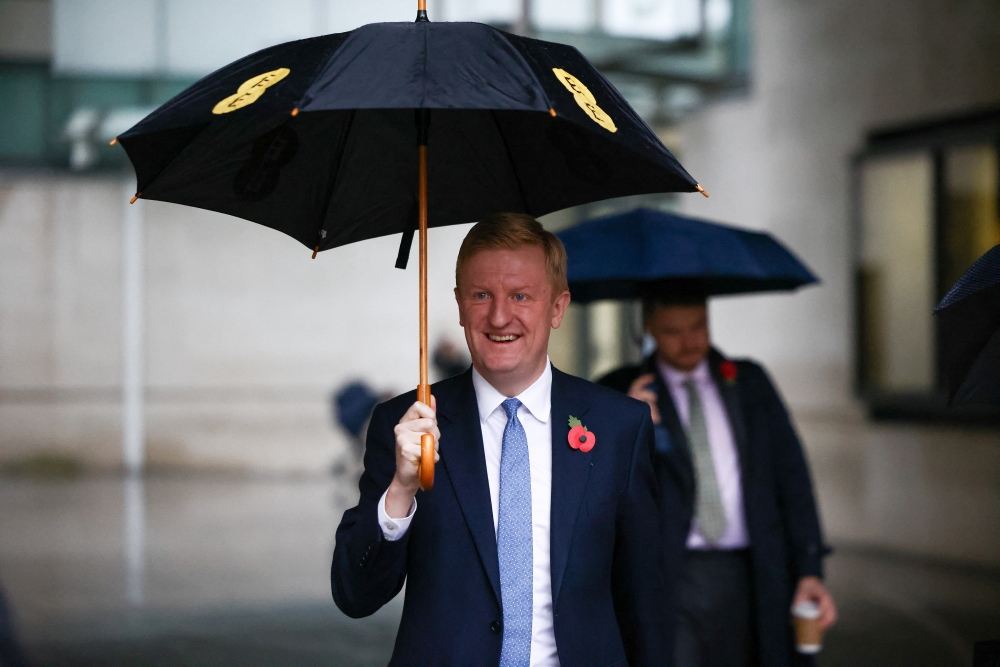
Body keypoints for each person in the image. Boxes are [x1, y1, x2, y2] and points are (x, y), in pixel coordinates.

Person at [332, 213, 666, 667]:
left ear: (558, 308)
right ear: (459, 304)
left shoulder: (619, 426)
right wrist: (400, 491)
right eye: (481, 295)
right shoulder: (407, 425)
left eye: (520, 296)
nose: (499, 316)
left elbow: (644, 601)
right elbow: (354, 595)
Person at [598, 288, 836, 667]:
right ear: (648, 328)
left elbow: (792, 477)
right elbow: (598, 491)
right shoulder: (619, 390)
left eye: (698, 327)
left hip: (751, 570)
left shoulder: (749, 382)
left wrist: (809, 568)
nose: (689, 341)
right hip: (667, 575)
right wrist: (624, 427)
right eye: (673, 331)